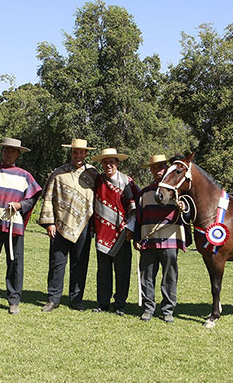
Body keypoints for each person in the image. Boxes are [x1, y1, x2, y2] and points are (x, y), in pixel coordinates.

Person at [0, 138, 42, 315]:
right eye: (6, 150)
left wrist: (20, 206)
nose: (8, 153)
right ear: (1, 151)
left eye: (12, 151)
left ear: (18, 154)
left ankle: (14, 300)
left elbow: (33, 197)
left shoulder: (24, 176)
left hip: (14, 225)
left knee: (15, 263)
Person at [38, 138, 98, 312]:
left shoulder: (93, 174)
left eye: (81, 152)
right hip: (59, 224)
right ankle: (53, 298)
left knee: (80, 263)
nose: (78, 155)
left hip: (84, 225)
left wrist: (94, 225)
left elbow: (98, 201)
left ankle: (76, 299)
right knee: (57, 263)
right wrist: (49, 222)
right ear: (71, 153)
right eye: (75, 152)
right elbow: (48, 198)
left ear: (86, 154)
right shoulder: (58, 173)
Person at [135, 154, 190, 323]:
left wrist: (183, 207)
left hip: (170, 240)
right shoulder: (145, 192)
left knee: (169, 277)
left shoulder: (178, 193)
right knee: (147, 276)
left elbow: (189, 214)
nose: (157, 170)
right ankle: (148, 308)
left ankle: (167, 310)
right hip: (148, 241)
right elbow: (138, 218)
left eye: (160, 167)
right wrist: (137, 237)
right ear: (151, 171)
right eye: (154, 168)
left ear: (166, 169)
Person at [91, 148, 140, 316]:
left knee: (122, 270)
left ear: (118, 163)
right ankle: (103, 303)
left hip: (123, 233)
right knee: (103, 271)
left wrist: (131, 229)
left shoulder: (128, 182)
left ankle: (120, 304)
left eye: (112, 162)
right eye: (105, 162)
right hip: (103, 231)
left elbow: (135, 208)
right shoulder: (98, 181)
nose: (108, 165)